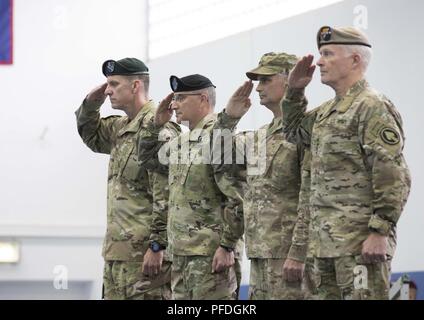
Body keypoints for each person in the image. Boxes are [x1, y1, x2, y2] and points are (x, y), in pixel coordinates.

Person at [281, 26, 411, 299]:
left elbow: (392, 172)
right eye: (319, 54)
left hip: (359, 245)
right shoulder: (328, 111)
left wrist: (380, 231)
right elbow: (293, 131)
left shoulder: (371, 106)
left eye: (328, 53)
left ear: (354, 60)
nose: (319, 62)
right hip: (324, 247)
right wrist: (294, 90)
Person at [212, 52, 312, 299]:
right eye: (258, 81)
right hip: (260, 253)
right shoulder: (259, 136)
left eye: (266, 80)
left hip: (291, 255)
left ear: (289, 80)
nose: (257, 88)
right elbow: (217, 159)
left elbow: (312, 194)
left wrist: (299, 252)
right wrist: (229, 119)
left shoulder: (306, 130)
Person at [137, 74, 244, 300]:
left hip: (211, 256)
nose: (174, 104)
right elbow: (147, 159)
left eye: (181, 98)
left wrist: (227, 245)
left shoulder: (222, 138)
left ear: (203, 99)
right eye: (175, 98)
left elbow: (238, 196)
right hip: (181, 256)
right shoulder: (180, 143)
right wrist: (155, 125)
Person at [75, 58, 174, 299]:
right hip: (117, 254)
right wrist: (91, 103)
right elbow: (91, 135)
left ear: (135, 86)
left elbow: (167, 191)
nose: (108, 90)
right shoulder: (121, 127)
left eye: (114, 84)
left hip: (145, 256)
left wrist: (157, 245)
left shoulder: (159, 129)